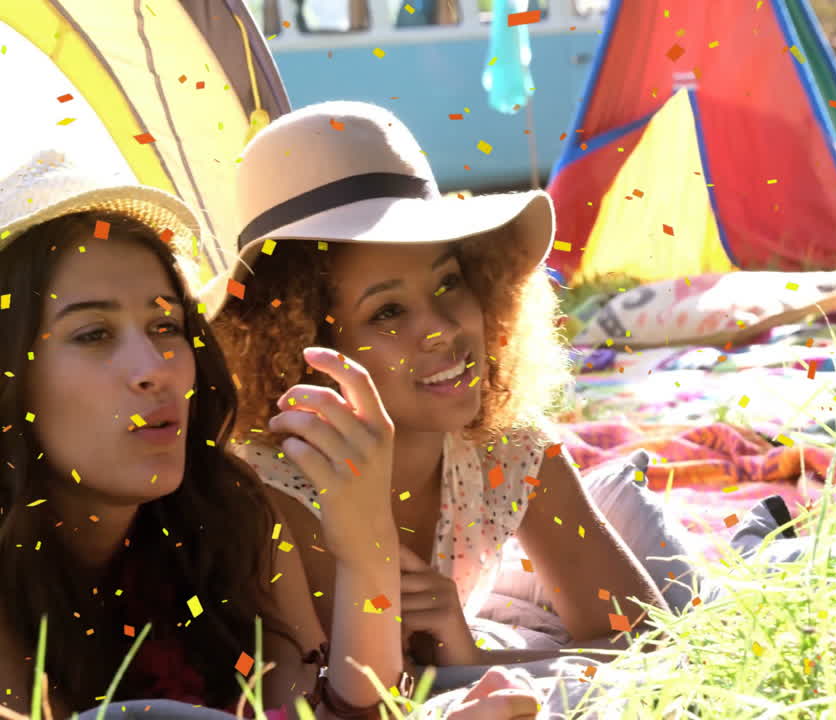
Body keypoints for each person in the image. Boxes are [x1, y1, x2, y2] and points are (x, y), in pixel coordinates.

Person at [0, 150, 542, 720]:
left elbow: (338, 709)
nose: (154, 366)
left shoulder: (234, 515)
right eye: (93, 334)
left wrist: (367, 550)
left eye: (167, 325)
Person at [207, 101, 669, 670]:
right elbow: (352, 700)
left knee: (644, 527)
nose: (444, 330)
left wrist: (467, 651)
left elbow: (651, 644)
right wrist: (469, 667)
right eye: (388, 312)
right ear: (300, 351)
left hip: (492, 631)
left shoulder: (506, 444)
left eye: (450, 282)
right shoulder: (273, 494)